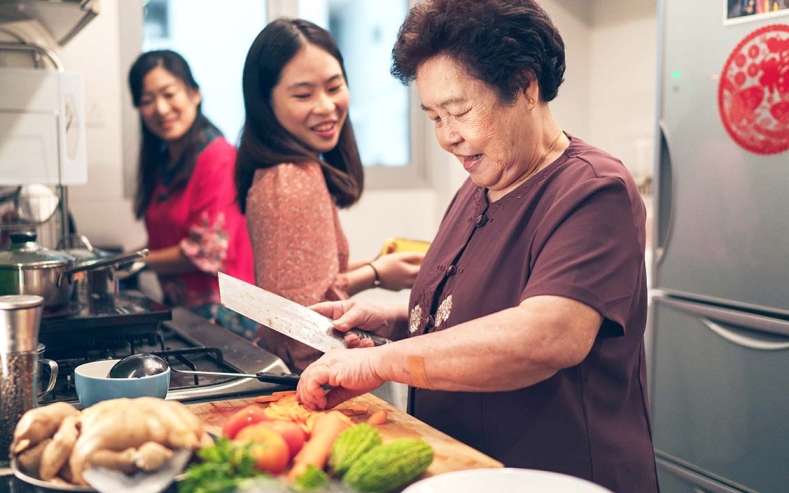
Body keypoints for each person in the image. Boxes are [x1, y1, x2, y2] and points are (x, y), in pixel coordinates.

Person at [295, 1, 659, 491]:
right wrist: (394, 321)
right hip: (468, 468)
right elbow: (473, 314)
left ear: (526, 87)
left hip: (558, 474)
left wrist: (375, 362)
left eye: (460, 111)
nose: (447, 137)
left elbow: (546, 334)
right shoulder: (477, 188)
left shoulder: (595, 189)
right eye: (433, 118)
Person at [235, 19, 424, 372]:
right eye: (303, 95)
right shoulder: (293, 179)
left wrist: (377, 267)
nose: (325, 106)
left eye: (334, 87)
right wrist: (375, 274)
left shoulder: (280, 173)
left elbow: (298, 276)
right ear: (266, 103)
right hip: (310, 374)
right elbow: (304, 313)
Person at [128, 50, 257, 339]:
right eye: (148, 100)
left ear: (194, 94)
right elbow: (168, 240)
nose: (161, 108)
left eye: (169, 94)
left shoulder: (218, 156)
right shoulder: (166, 165)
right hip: (188, 317)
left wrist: (130, 262)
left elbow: (206, 251)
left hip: (227, 320)